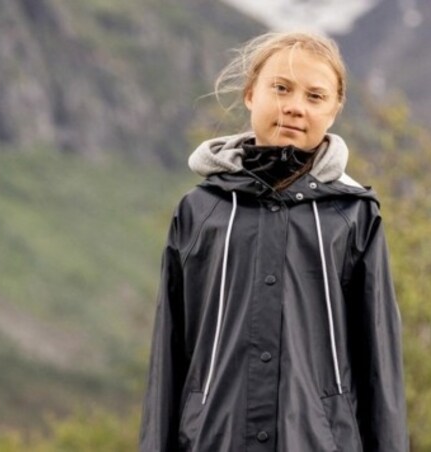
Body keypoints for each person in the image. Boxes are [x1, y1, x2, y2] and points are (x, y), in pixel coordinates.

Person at [139, 31, 408, 451]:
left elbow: (380, 368)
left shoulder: (354, 216)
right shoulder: (200, 211)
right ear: (250, 94)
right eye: (281, 88)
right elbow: (168, 355)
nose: (295, 107)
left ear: (334, 110)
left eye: (315, 96)